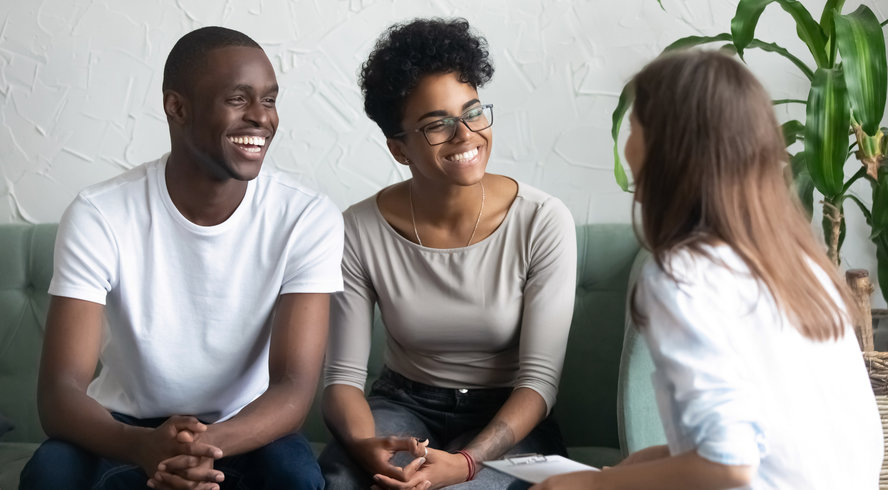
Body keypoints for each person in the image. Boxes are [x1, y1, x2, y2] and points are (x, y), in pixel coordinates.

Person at [532, 50, 884, 490]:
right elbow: (776, 441)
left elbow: (729, 465)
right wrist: (647, 461)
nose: (626, 146)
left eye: (635, 125)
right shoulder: (802, 265)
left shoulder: (683, 277)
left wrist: (583, 486)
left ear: (672, 144)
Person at [19, 26, 343, 490]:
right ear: (177, 107)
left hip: (246, 427)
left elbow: (293, 387)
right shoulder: (100, 213)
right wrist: (140, 446)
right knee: (49, 478)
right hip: (122, 425)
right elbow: (59, 393)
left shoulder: (306, 216)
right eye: (238, 99)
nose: (261, 118)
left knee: (296, 480)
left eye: (269, 100)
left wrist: (201, 447)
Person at [318, 17, 577, 490]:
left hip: (507, 418)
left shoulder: (541, 219)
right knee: (341, 482)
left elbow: (539, 382)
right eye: (436, 124)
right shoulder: (359, 228)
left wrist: (466, 464)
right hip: (402, 405)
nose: (465, 135)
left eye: (473, 112)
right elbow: (342, 378)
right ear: (399, 148)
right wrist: (364, 448)